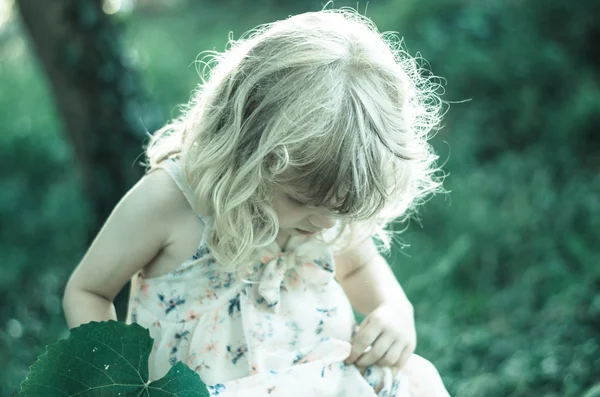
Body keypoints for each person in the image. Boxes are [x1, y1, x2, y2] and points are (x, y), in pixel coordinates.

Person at [63, 7, 450, 397]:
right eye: (301, 200)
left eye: (340, 210)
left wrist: (396, 310)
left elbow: (359, 265)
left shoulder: (324, 211)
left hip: (324, 382)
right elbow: (89, 292)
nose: (326, 226)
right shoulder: (173, 201)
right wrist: (114, 379)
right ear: (245, 150)